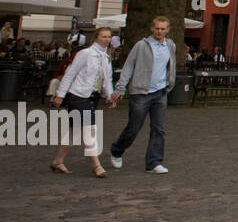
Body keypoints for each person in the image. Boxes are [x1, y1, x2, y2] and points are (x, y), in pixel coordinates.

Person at [109, 16, 176, 174]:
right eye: (157, 28)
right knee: (134, 127)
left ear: (167, 30)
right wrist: (120, 89)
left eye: (163, 29)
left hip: (160, 92)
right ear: (152, 29)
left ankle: (154, 162)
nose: (160, 31)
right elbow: (128, 67)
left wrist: (169, 82)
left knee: (158, 129)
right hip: (141, 92)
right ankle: (117, 150)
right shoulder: (141, 45)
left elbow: (169, 66)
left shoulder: (170, 45)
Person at [50, 27, 118, 177]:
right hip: (79, 96)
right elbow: (70, 74)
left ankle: (58, 160)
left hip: (92, 97)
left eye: (108, 37)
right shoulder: (85, 54)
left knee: (74, 132)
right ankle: (96, 165)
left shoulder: (105, 57)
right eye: (103, 37)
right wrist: (60, 94)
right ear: (95, 38)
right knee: (90, 129)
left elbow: (107, 80)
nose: (106, 39)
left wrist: (109, 96)